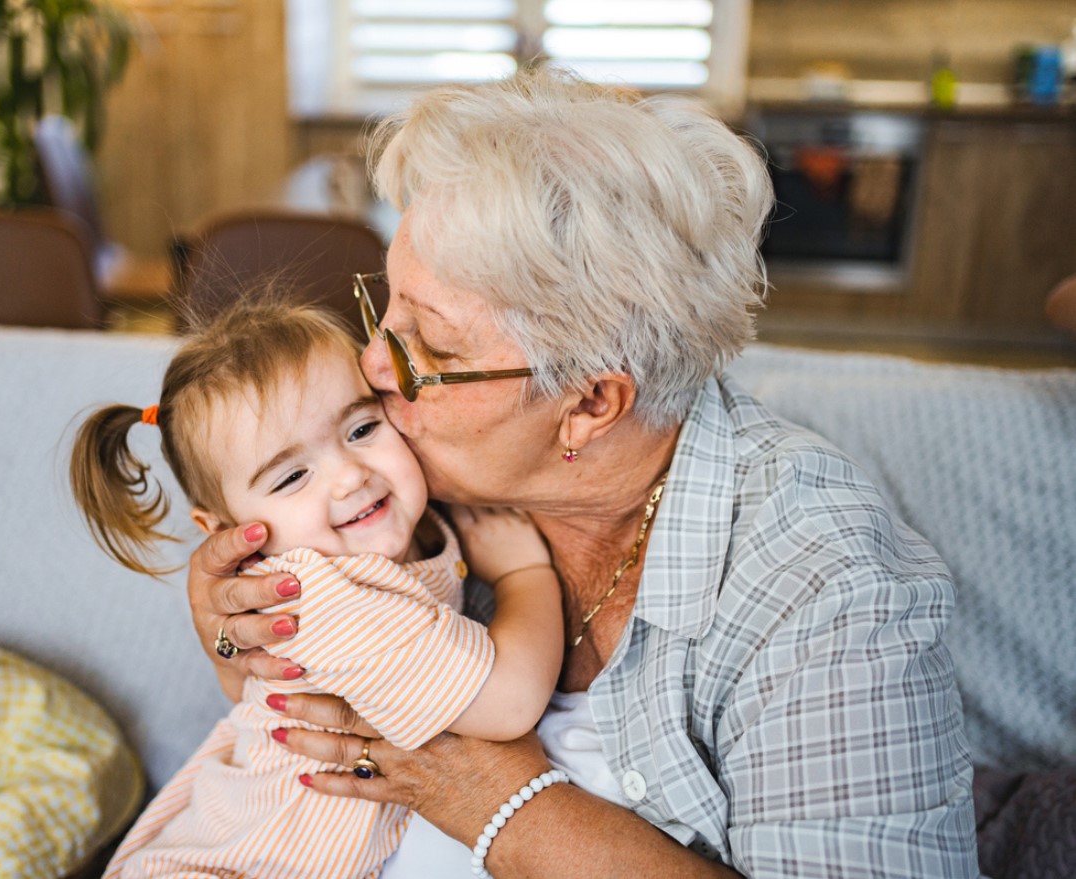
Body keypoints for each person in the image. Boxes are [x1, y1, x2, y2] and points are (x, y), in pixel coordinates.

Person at [184, 67, 980, 878]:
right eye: (384, 307)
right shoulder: (392, 481)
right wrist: (237, 628)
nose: (371, 362)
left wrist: (501, 799)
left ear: (590, 404)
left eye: (433, 346)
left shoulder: (826, 587)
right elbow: (293, 718)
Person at [68, 299, 563, 878]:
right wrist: (525, 574)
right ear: (227, 532)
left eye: (361, 428)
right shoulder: (320, 594)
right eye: (292, 476)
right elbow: (508, 704)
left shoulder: (416, 528)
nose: (350, 475)